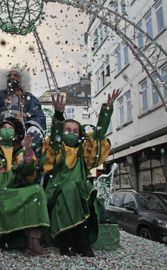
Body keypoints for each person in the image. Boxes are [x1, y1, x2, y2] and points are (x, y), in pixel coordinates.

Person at [42, 89, 120, 257]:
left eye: (75, 131)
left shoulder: (83, 150)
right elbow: (55, 139)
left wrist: (107, 109)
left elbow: (98, 134)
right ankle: (70, 240)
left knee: (75, 192)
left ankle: (79, 239)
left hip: (80, 191)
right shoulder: (58, 148)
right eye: (67, 130)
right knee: (67, 191)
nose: (71, 133)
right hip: (57, 190)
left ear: (80, 134)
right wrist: (58, 114)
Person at [0, 117, 50, 256]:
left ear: (16, 134)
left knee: (37, 191)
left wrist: (27, 161)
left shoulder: (20, 151)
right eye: (3, 128)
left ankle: (33, 241)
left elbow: (27, 174)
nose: (7, 131)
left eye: (10, 128)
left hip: (15, 190)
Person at [0, 67, 46, 156]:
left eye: (16, 75)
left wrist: (31, 127)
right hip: (0, 128)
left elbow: (38, 116)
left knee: (35, 136)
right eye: (10, 75)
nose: (12, 77)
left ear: (22, 79)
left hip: (24, 129)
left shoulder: (31, 99)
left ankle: (29, 162)